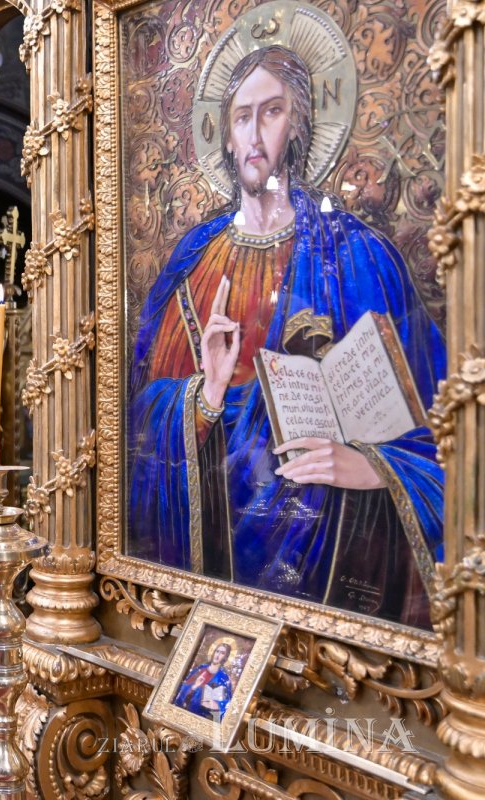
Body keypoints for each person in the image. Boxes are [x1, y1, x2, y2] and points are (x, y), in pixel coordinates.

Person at [127, 45, 445, 627]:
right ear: (224, 136)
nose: (254, 133)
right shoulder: (192, 266)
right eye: (241, 116)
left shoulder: (361, 258)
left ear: (297, 125)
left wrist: (374, 466)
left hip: (340, 565)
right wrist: (206, 397)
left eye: (271, 112)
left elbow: (444, 428)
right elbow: (137, 422)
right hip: (218, 566)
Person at [173, 642, 235, 720]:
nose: (218, 655)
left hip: (202, 718)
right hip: (183, 711)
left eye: (222, 653)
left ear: (226, 657)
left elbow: (224, 705)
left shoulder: (223, 678)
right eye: (217, 651)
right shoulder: (201, 669)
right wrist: (194, 686)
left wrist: (214, 704)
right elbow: (183, 689)